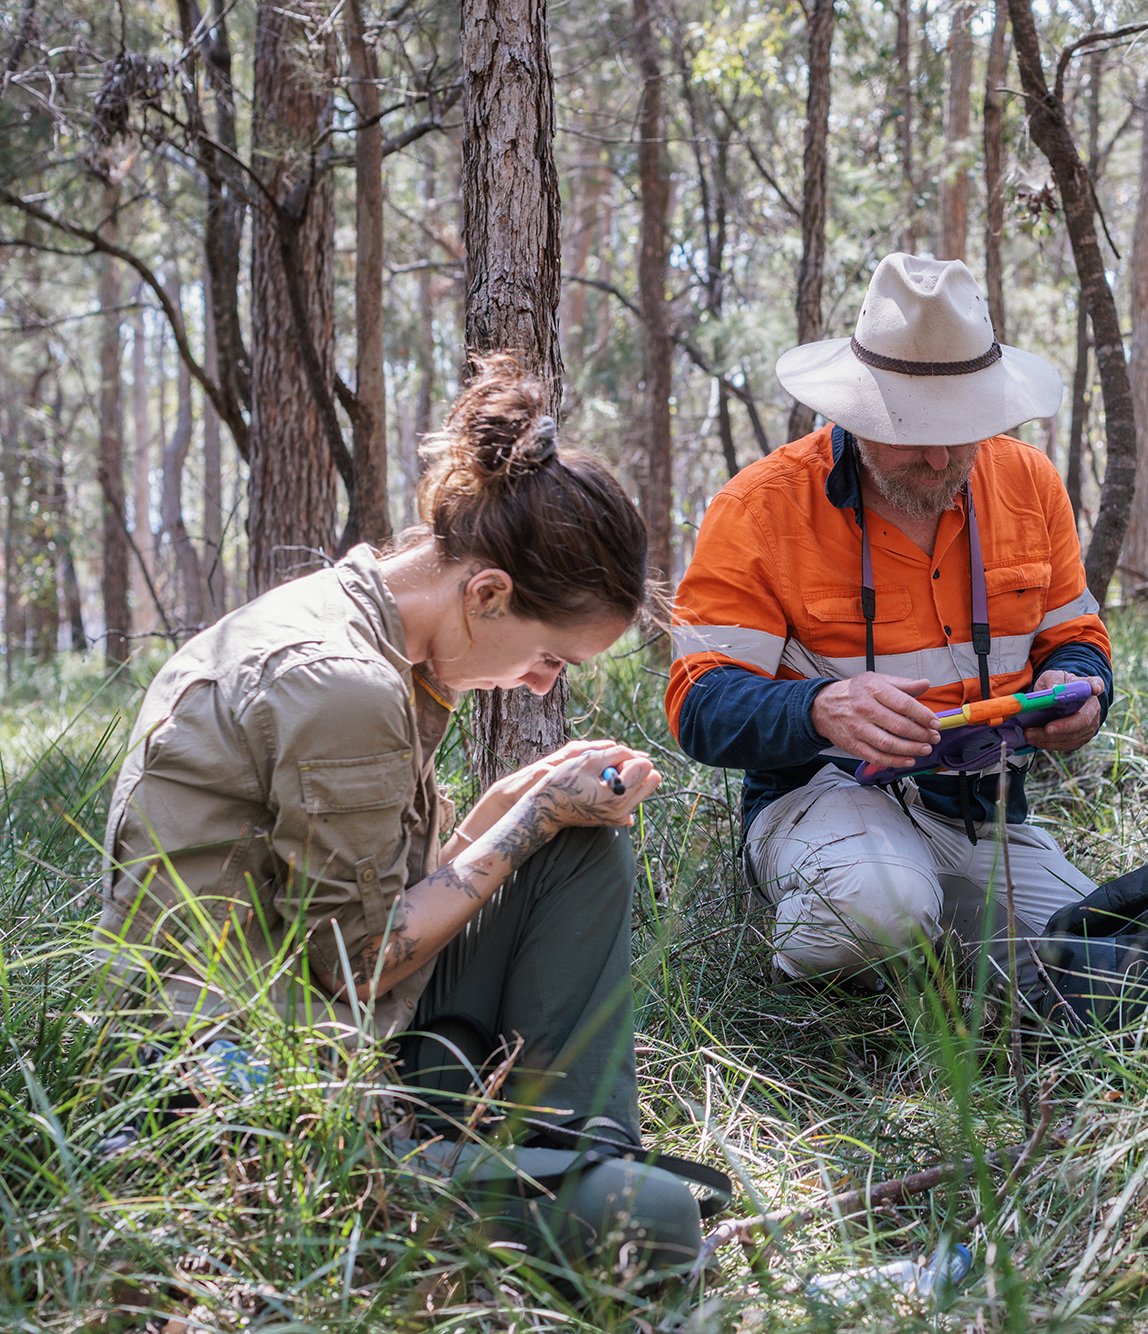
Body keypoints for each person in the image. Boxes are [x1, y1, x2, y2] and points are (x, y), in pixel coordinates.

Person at [96, 351, 706, 1264]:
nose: (539, 684)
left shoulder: (369, 631)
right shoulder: (344, 684)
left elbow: (347, 916)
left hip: (330, 1026)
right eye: (550, 658)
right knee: (656, 1223)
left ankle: (573, 1155)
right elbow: (360, 959)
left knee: (583, 852)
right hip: (242, 1092)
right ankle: (587, 1201)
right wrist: (525, 820)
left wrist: (507, 809)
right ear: (488, 592)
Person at [667, 253, 1114, 986]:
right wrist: (819, 708)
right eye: (908, 429)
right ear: (854, 408)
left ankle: (927, 948)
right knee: (880, 910)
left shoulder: (1030, 484)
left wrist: (1083, 689)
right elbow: (700, 704)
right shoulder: (761, 506)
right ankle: (841, 974)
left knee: (1099, 957)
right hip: (820, 795)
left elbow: (1077, 637)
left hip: (982, 813)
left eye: (962, 427)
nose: (938, 456)